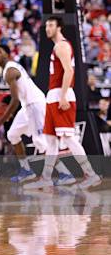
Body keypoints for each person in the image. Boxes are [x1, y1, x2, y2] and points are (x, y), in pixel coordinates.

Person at [26, 17, 101, 190]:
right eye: (46, 25)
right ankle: (46, 177)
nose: (47, 28)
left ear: (59, 27)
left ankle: (91, 174)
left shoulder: (62, 45)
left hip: (62, 94)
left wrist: (63, 96)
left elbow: (69, 70)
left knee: (68, 138)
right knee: (51, 140)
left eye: (51, 25)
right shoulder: (56, 47)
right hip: (53, 96)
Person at [0, 44, 75, 186]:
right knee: (12, 135)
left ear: (7, 54)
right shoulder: (9, 68)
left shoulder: (10, 70)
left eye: (0, 51)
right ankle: (26, 170)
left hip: (35, 105)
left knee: (42, 143)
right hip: (27, 106)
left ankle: (65, 173)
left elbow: (14, 100)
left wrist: (0, 121)